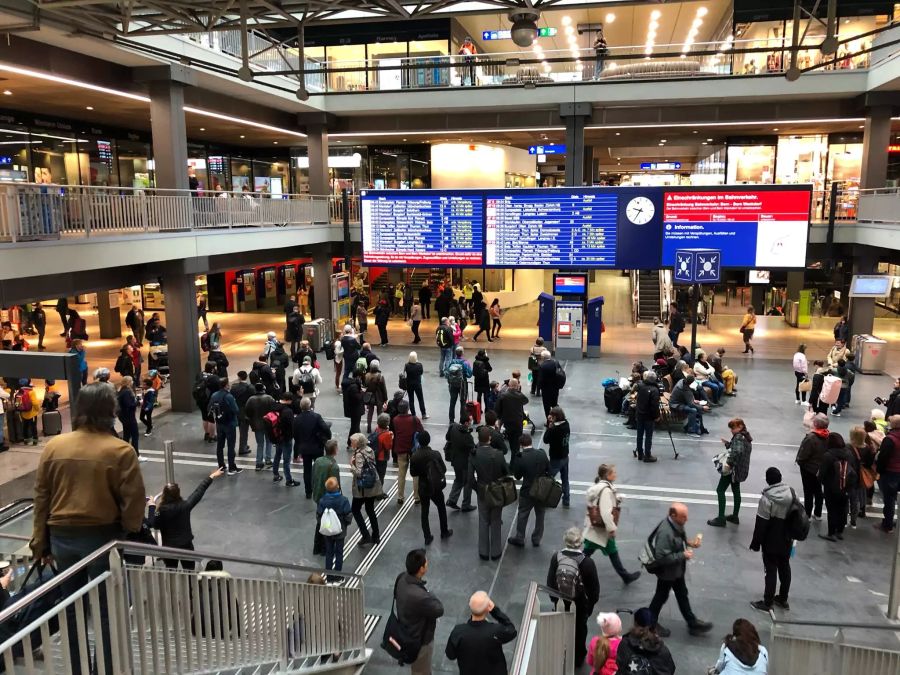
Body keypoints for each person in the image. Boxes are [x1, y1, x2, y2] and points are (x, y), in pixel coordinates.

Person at [30, 382, 146, 675]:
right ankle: (104, 669)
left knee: (71, 608)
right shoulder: (120, 451)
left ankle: (78, 669)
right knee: (106, 611)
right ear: (110, 411)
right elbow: (133, 505)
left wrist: (39, 544)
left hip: (61, 539)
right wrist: (129, 531)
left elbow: (41, 498)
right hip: (103, 539)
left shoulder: (54, 447)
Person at [645, 502, 713, 637]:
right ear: (673, 515)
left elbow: (679, 539)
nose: (686, 519)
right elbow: (661, 557)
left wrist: (690, 543)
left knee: (682, 594)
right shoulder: (665, 532)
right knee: (660, 597)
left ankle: (692, 623)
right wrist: (682, 555)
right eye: (683, 517)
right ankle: (650, 625)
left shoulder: (676, 524)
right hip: (667, 573)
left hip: (676, 570)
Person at [547, 527, 601, 666]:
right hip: (579, 604)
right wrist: (589, 608)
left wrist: (555, 600)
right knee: (579, 630)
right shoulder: (587, 562)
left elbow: (550, 582)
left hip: (560, 600)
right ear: (580, 543)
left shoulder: (556, 557)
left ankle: (560, 652)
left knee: (561, 627)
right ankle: (577, 658)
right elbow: (594, 590)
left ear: (565, 540)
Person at [150, 468, 224, 569]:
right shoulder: (185, 506)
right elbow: (199, 491)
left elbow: (155, 524)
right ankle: (189, 584)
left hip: (169, 547)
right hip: (186, 545)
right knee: (189, 571)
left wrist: (152, 506)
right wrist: (211, 476)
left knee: (171, 570)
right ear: (178, 494)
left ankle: (172, 585)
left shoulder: (161, 510)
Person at [583, 463, 641, 583]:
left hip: (595, 528)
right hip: (603, 529)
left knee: (588, 551)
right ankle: (625, 576)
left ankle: (574, 568)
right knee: (612, 551)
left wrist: (616, 498)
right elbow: (605, 513)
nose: (616, 474)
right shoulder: (606, 491)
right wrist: (611, 529)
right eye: (613, 472)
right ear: (608, 475)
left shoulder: (600, 486)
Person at [749, 467, 794, 612]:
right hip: (787, 536)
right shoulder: (791, 492)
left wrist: (756, 543)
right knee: (785, 566)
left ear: (768, 480)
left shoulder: (767, 498)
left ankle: (767, 602)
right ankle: (783, 598)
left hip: (771, 538)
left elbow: (761, 523)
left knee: (771, 569)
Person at [394, 549, 445, 674]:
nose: (428, 563)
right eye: (426, 562)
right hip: (420, 640)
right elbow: (439, 609)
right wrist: (429, 593)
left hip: (406, 629)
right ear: (421, 569)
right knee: (421, 670)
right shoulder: (420, 596)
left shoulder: (401, 577)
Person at [445, 591, 517, 675]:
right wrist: (495, 611)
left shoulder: (458, 631)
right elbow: (512, 630)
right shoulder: (496, 631)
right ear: (488, 608)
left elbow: (451, 655)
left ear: (469, 605)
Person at [468, 426, 510, 561]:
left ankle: (484, 551)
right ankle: (496, 551)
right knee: (496, 520)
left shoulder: (474, 454)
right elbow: (506, 472)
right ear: (490, 439)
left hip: (482, 491)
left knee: (484, 520)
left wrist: (478, 488)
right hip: (496, 491)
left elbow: (469, 478)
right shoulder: (498, 454)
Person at [708, 418, 753, 527]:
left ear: (740, 426)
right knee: (736, 490)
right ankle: (735, 516)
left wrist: (729, 463)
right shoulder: (745, 436)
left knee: (720, 490)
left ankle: (721, 518)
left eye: (733, 428)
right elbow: (739, 449)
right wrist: (728, 443)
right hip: (741, 469)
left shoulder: (738, 437)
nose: (731, 430)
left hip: (733, 470)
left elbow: (737, 451)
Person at [410, 430, 452, 545]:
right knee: (441, 508)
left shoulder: (414, 456)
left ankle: (427, 537)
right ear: (429, 441)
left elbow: (413, 473)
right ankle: (444, 531)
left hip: (423, 487)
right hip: (435, 486)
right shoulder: (436, 454)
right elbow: (443, 469)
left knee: (424, 511)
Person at [508, 434, 549, 547]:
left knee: (523, 514)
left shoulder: (520, 457)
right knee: (540, 515)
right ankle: (536, 538)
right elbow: (548, 470)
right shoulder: (541, 453)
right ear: (531, 442)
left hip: (527, 491)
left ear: (521, 445)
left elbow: (517, 476)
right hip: (541, 490)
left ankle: (520, 537)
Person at [292, 396, 332, 499]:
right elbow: (325, 429)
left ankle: (308, 491)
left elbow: (295, 436)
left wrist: (298, 448)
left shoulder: (296, 419)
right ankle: (320, 488)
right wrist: (327, 438)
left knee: (307, 470)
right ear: (310, 405)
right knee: (320, 468)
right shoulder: (316, 417)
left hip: (304, 448)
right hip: (317, 447)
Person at [616, 607, 675, 675]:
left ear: (635, 623)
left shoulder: (625, 645)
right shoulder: (663, 650)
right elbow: (671, 669)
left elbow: (620, 667)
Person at [818, 432, 854, 542]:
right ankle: (840, 531)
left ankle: (831, 533)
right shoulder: (848, 453)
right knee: (843, 509)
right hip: (846, 486)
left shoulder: (828, 455)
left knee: (832, 510)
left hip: (831, 487)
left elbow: (822, 473)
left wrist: (823, 482)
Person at [349, 432, 382, 546]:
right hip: (372, 486)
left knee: (355, 509)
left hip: (362, 489)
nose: (351, 443)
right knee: (370, 510)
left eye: (353, 441)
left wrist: (351, 466)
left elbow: (358, 473)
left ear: (358, 443)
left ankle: (365, 535)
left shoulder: (358, 455)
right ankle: (376, 536)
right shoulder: (369, 450)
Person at [316, 477, 352, 576]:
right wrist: (346, 524)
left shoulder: (323, 500)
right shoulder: (344, 500)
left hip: (327, 531)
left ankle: (329, 574)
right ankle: (337, 574)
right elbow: (348, 515)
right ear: (338, 487)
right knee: (339, 553)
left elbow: (318, 515)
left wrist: (323, 524)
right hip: (340, 531)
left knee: (329, 552)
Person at [796, 414, 828, 519]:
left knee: (808, 492)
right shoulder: (828, 436)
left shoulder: (811, 438)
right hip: (821, 469)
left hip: (808, 469)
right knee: (818, 490)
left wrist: (800, 461)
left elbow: (803, 455)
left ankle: (807, 514)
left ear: (815, 424)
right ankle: (818, 513)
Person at [392, 400, 423, 505]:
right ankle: (417, 497)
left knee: (401, 474)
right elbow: (421, 432)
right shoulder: (414, 419)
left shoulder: (395, 420)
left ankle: (400, 496)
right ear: (408, 408)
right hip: (413, 450)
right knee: (416, 475)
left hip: (400, 450)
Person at [208, 378, 242, 475]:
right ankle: (232, 467)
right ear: (226, 385)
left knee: (220, 446)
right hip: (230, 423)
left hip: (219, 423)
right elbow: (236, 410)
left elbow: (209, 408)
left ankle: (221, 466)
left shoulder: (214, 395)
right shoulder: (229, 396)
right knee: (231, 446)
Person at [445, 414, 476, 513]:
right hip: (464, 463)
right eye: (470, 421)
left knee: (459, 479)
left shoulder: (453, 427)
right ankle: (466, 505)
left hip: (455, 460)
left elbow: (447, 437)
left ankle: (452, 500)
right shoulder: (467, 436)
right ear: (466, 423)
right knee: (467, 482)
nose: (471, 423)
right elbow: (473, 449)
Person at [875, 414, 900, 534]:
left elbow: (883, 458)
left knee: (889, 499)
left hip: (891, 472)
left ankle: (887, 524)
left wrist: (878, 471)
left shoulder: (890, 439)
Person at [271, 391, 300, 487]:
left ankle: (276, 474)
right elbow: (291, 426)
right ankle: (289, 480)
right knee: (286, 460)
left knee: (277, 455)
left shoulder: (275, 406)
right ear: (288, 400)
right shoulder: (288, 411)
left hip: (277, 436)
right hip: (286, 438)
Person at [544, 405, 571, 507]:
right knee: (565, 479)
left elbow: (545, 440)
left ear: (555, 417)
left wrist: (550, 426)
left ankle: (545, 498)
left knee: (548, 478)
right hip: (565, 456)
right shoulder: (566, 424)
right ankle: (566, 499)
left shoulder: (555, 429)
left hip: (556, 458)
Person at [246, 383, 275, 470]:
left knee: (260, 444)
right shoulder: (269, 398)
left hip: (257, 424)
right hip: (268, 424)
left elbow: (247, 412)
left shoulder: (251, 399)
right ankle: (268, 459)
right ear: (263, 389)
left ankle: (259, 462)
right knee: (269, 442)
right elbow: (274, 409)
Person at [495, 377, 528, 453]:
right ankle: (516, 457)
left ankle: (514, 454)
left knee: (511, 441)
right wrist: (518, 391)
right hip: (518, 422)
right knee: (517, 443)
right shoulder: (519, 395)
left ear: (509, 385)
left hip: (508, 422)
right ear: (517, 386)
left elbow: (497, 409)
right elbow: (526, 401)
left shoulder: (503, 395)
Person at [635, 371, 661, 463]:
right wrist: (657, 416)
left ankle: (640, 454)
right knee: (648, 436)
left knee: (639, 435)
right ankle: (647, 455)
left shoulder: (640, 386)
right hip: (649, 416)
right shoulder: (654, 390)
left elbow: (638, 399)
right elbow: (654, 405)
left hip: (639, 414)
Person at [446, 346, 473, 424]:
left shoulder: (452, 362)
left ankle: (451, 420)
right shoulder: (465, 362)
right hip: (462, 384)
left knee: (452, 402)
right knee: (463, 402)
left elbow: (447, 372)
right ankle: (462, 419)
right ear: (462, 353)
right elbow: (469, 375)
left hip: (453, 385)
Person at [342, 363, 365, 449]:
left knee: (356, 425)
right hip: (355, 409)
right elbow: (358, 397)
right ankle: (350, 442)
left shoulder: (349, 384)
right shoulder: (354, 387)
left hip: (352, 408)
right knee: (354, 426)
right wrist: (363, 393)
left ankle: (359, 441)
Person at [117, 376, 141, 458]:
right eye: (131, 381)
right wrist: (138, 403)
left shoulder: (121, 391)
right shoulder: (127, 392)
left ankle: (125, 453)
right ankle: (136, 454)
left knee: (126, 435)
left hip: (123, 416)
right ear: (128, 382)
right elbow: (129, 404)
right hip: (129, 416)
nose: (133, 382)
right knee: (135, 435)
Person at [230, 370, 253, 456]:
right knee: (244, 431)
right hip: (245, 411)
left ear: (238, 377)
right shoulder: (250, 388)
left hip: (236, 410)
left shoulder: (234, 387)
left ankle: (237, 447)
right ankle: (242, 447)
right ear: (246, 377)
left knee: (235, 430)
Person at [312, 439, 341, 504]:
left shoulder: (318, 461)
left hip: (317, 494)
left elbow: (313, 476)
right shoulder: (334, 466)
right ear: (335, 450)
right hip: (329, 497)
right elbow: (336, 484)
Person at [365, 360, 389, 434]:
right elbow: (383, 389)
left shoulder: (367, 375)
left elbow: (365, 386)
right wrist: (385, 399)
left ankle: (369, 427)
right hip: (379, 397)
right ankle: (380, 427)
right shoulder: (380, 376)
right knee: (379, 413)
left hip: (370, 396)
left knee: (370, 412)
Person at [403, 352, 427, 419]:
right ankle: (423, 414)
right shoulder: (419, 365)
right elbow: (421, 372)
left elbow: (404, 373)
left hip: (409, 384)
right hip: (417, 384)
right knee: (420, 399)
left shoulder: (406, 365)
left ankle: (413, 414)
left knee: (411, 399)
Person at [15, 379, 39, 446]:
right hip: (32, 413)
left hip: (23, 413)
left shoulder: (19, 392)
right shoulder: (31, 392)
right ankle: (35, 441)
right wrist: (37, 409)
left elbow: (17, 403)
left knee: (25, 427)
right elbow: (35, 403)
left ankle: (26, 441)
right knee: (33, 428)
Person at [372, 412, 393, 485]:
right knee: (381, 476)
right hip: (382, 457)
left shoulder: (377, 429)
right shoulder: (387, 435)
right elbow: (388, 447)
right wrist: (391, 437)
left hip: (374, 455)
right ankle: (379, 491)